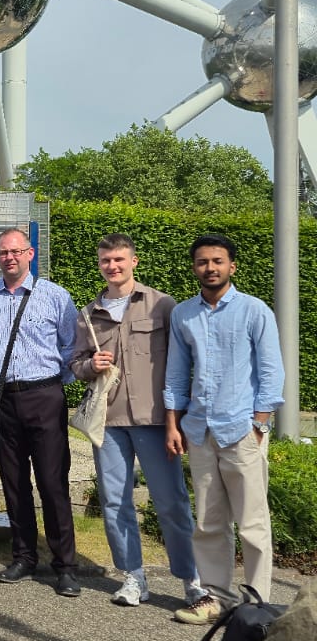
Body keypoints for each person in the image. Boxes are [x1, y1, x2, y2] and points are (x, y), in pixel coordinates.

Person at [70, 234, 207, 613]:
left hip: (154, 419)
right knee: (115, 501)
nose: (112, 266)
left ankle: (191, 579)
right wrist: (90, 365)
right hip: (109, 421)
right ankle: (133, 576)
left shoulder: (162, 305)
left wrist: (177, 418)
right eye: (105, 260)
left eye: (118, 259)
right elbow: (76, 364)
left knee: (171, 502)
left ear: (134, 261)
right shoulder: (88, 314)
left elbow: (181, 363)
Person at [164, 234, 284, 620]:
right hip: (199, 431)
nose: (210, 268)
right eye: (203, 262)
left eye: (217, 261)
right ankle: (215, 597)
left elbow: (271, 371)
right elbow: (176, 373)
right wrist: (173, 423)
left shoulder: (254, 311)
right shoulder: (183, 314)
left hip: (241, 430)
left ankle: (256, 603)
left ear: (232, 265)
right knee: (208, 522)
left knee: (252, 523)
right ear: (194, 267)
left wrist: (260, 424)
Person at [0, 227, 81, 596]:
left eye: (16, 251)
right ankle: (23, 557)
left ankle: (65, 566)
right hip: (4, 399)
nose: (9, 258)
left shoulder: (55, 296)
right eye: (3, 252)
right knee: (13, 482)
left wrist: (54, 383)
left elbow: (71, 346)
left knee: (53, 483)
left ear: (30, 254)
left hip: (44, 395)